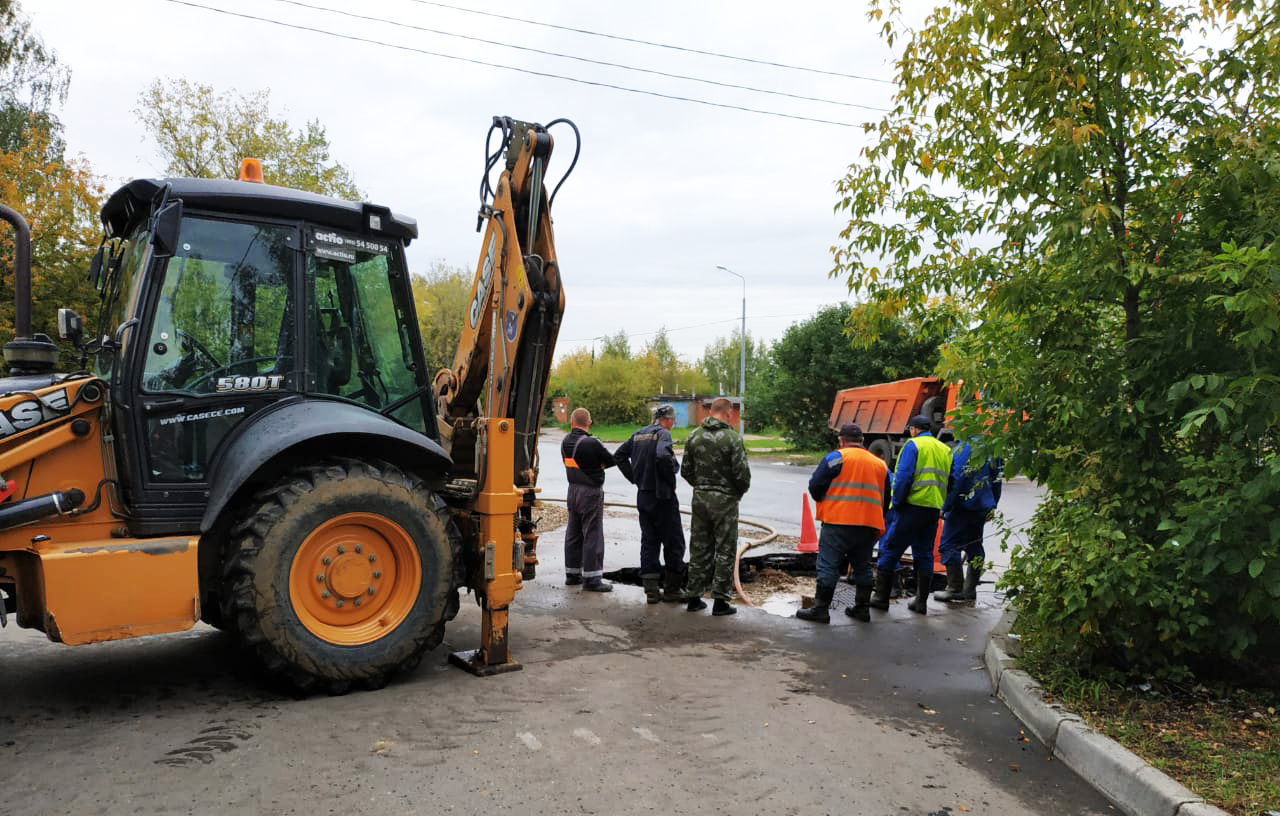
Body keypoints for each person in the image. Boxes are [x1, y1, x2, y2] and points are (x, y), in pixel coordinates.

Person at [796, 423, 890, 623]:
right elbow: (886, 497)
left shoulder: (836, 458)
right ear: (862, 441)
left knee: (828, 565)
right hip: (869, 524)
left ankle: (821, 609)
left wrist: (827, 500)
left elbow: (815, 486)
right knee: (863, 566)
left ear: (841, 440)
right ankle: (862, 609)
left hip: (839, 521)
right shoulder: (880, 464)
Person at [870, 414, 952, 615]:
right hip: (932, 510)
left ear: (914, 429)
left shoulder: (913, 446)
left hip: (910, 508)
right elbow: (953, 480)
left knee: (890, 548)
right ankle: (921, 601)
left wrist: (896, 503)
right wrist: (943, 505)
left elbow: (904, 477)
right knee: (924, 554)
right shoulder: (946, 449)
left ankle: (881, 597)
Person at [680, 398, 751, 616]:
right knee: (725, 549)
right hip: (725, 501)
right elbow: (742, 475)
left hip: (700, 498)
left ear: (710, 412)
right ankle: (720, 601)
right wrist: (734, 492)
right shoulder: (732, 438)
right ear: (728, 412)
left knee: (699, 547)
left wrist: (702, 486)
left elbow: (685, 470)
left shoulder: (694, 435)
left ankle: (694, 597)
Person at [614, 404, 686, 604]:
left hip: (643, 496)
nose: (673, 423)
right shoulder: (663, 435)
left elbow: (619, 456)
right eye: (673, 420)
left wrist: (635, 478)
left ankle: (652, 591)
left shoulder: (638, 434)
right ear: (668, 419)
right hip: (662, 497)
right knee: (674, 542)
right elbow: (663, 456)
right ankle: (672, 590)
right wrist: (669, 481)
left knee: (649, 541)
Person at [933, 439, 1003, 602]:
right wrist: (992, 505)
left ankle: (954, 588)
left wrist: (946, 506)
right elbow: (997, 480)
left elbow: (957, 479)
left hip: (962, 506)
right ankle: (970, 589)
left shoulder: (963, 449)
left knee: (949, 545)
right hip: (982, 506)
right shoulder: (990, 448)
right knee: (974, 545)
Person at [561, 407, 615, 592]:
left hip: (572, 491)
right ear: (589, 422)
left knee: (573, 532)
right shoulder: (592, 443)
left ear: (571, 422)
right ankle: (592, 579)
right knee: (592, 533)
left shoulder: (565, 442)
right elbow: (611, 460)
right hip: (590, 492)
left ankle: (572, 574)